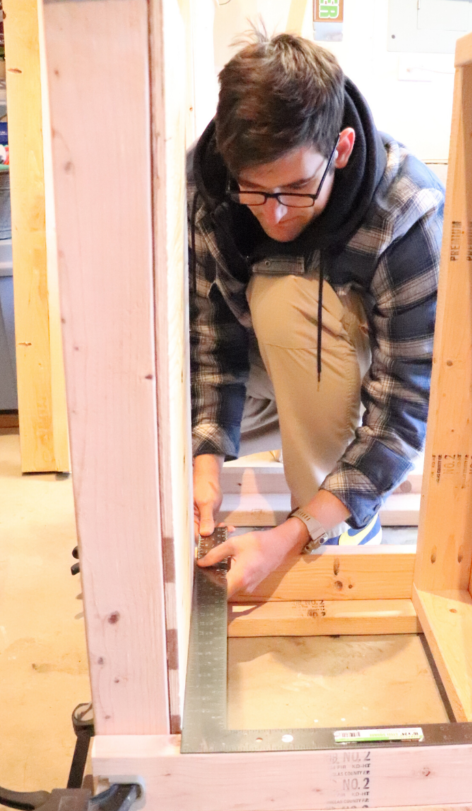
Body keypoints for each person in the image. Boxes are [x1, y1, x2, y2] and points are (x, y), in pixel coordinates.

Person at [190, 30, 444, 597]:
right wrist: (205, 459)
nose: (275, 215)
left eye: (297, 188)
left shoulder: (406, 210)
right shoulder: (211, 188)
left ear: (343, 148)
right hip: (267, 376)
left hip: (358, 380)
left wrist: (294, 531)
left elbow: (404, 410)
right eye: (254, 190)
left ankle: (334, 518)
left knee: (289, 294)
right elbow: (213, 338)